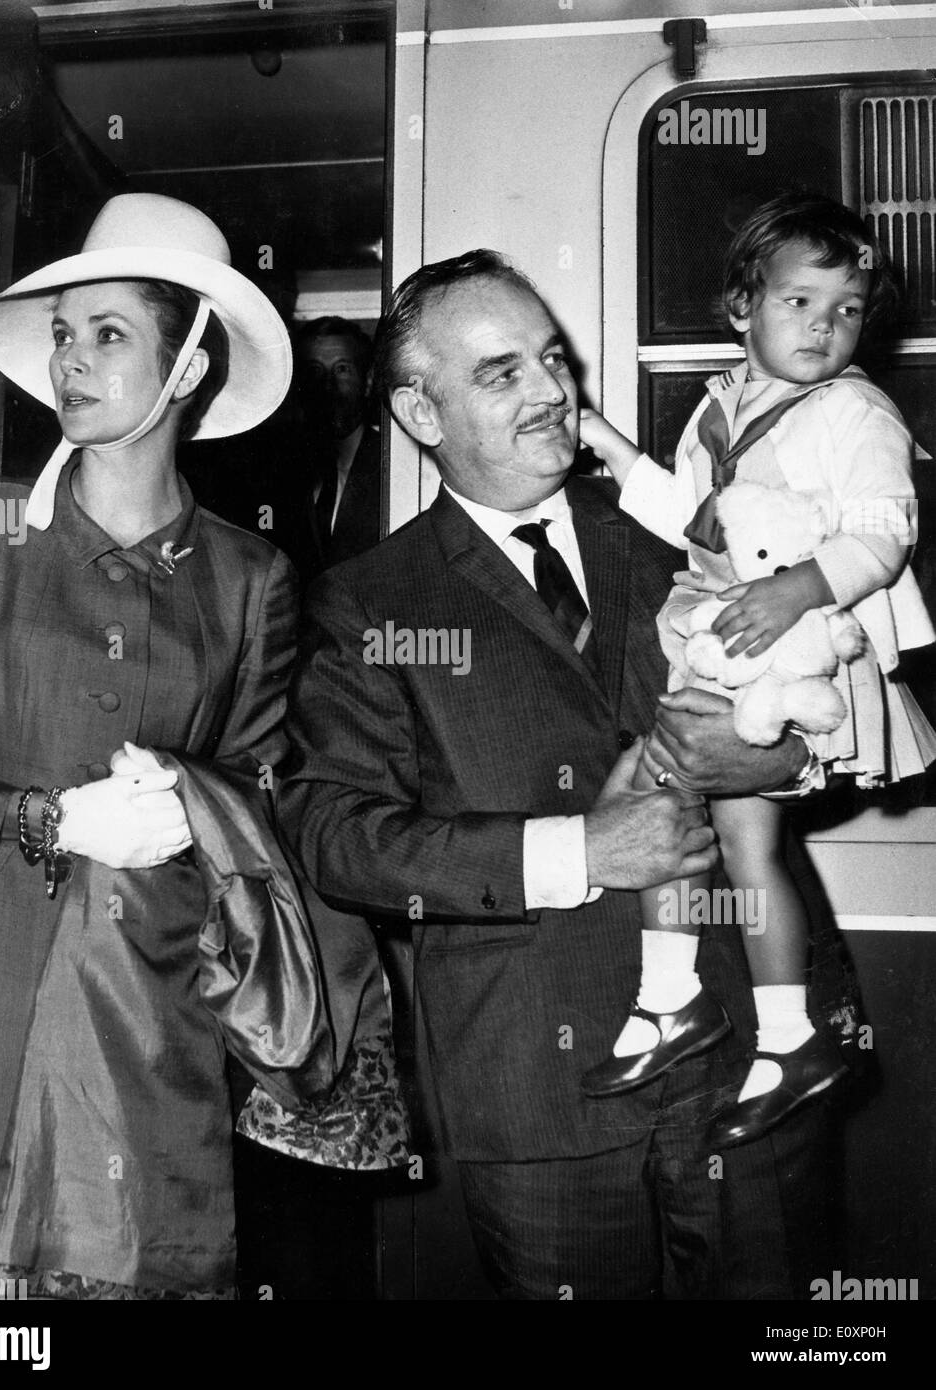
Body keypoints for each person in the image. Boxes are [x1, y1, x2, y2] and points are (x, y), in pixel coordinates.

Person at [277, 247, 838, 1300]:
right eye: (501, 373)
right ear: (419, 412)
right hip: (537, 1090)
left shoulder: (677, 533)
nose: (550, 392)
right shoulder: (365, 602)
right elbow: (331, 833)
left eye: (549, 358)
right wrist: (577, 851)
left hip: (750, 1055)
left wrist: (790, 755)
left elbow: (829, 695)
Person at [0, 193, 383, 1302]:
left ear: (191, 365)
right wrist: (46, 818)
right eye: (63, 334)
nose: (69, 360)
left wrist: (201, 800)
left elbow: (264, 802)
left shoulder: (250, 580)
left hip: (148, 1027)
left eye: (107, 333)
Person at [578, 193, 936, 1147]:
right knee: (685, 824)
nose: (825, 326)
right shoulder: (721, 402)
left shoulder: (854, 409)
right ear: (741, 307)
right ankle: (729, 1020)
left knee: (722, 831)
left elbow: (885, 535)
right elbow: (689, 517)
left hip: (786, 649)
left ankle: (723, 1017)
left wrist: (797, 591)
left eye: (846, 308)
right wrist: (611, 448)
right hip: (718, 646)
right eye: (799, 302)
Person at [295, 316, 381, 574]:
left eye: (342, 369)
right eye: (315, 370)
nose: (328, 384)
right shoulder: (276, 468)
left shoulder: (392, 467)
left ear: (367, 382)